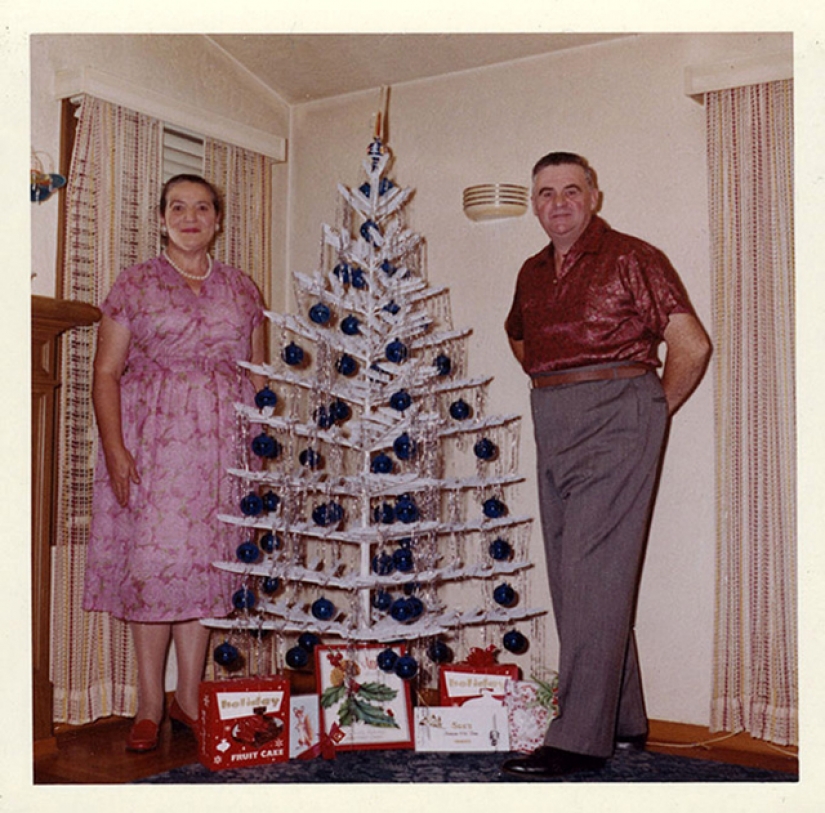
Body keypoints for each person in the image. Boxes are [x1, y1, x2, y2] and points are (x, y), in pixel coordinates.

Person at [501, 152, 711, 778]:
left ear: (594, 195)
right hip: (554, 413)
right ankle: (622, 717)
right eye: (545, 193)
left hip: (619, 411)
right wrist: (558, 385)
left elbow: (692, 344)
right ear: (534, 203)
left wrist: (651, 412)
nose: (558, 202)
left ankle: (578, 741)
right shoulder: (532, 271)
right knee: (578, 575)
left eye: (571, 190)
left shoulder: (632, 257)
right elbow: (518, 337)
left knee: (591, 571)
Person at [83, 174, 267, 752]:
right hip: (154, 446)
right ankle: (147, 705)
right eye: (178, 207)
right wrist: (115, 449)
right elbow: (106, 373)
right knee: (154, 569)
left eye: (203, 208)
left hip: (222, 449)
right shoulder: (134, 284)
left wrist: (258, 450)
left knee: (204, 572)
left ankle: (189, 700)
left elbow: (259, 375)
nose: (191, 217)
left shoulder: (242, 288)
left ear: (217, 219)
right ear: (162, 218)